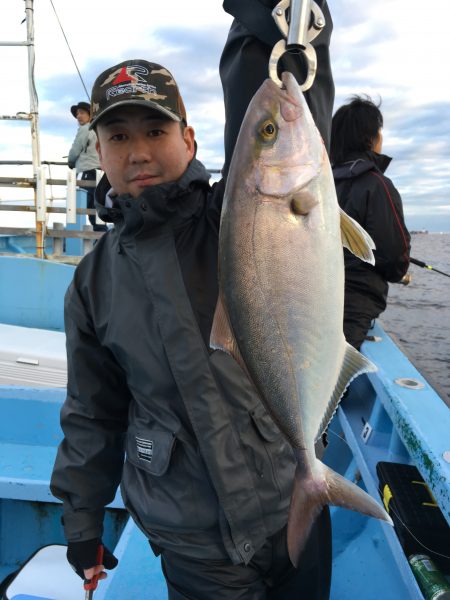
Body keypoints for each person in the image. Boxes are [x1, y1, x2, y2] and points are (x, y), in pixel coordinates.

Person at [50, 4, 333, 598]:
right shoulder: (93, 281)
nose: (138, 153)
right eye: (118, 136)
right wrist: (83, 522)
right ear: (97, 150)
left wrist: (265, 16)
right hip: (194, 543)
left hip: (291, 500)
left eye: (155, 131)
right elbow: (92, 412)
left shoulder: (237, 215)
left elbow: (276, 96)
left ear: (189, 137)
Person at [330, 95, 411, 350]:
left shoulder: (322, 184)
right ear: (371, 138)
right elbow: (395, 259)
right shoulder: (377, 185)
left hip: (312, 299)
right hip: (353, 308)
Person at [67, 101, 107, 232]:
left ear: (90, 115)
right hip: (100, 172)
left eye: (82, 113)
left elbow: (75, 150)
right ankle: (102, 235)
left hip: (88, 171)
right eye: (77, 113)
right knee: (98, 206)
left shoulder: (85, 129)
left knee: (87, 206)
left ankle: (100, 235)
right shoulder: (99, 128)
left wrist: (71, 162)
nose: (78, 116)